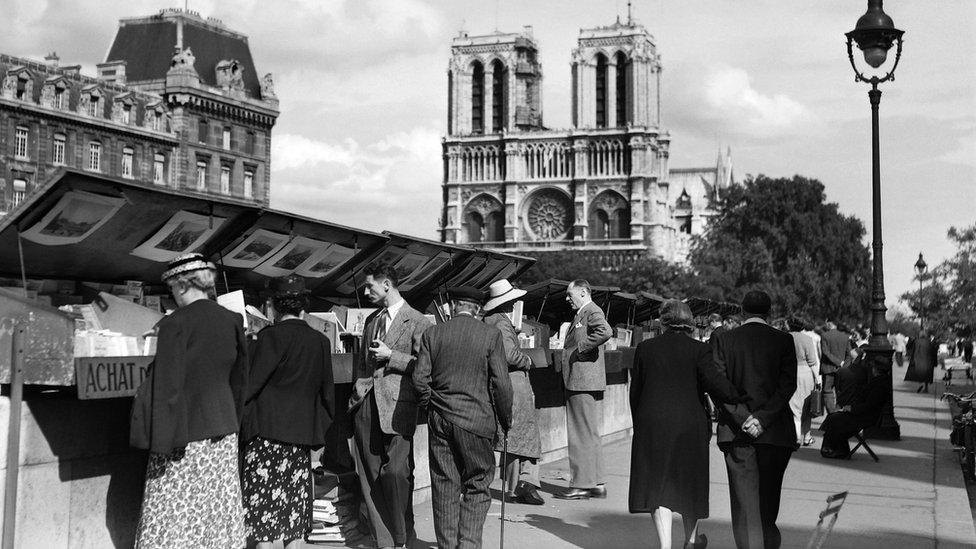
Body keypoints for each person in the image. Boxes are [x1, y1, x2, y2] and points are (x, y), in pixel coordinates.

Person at [129, 253, 249, 548]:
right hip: (223, 431)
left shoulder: (174, 324)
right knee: (217, 509)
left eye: (171, 289)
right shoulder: (232, 320)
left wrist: (160, 444)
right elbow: (240, 379)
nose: (172, 296)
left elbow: (168, 388)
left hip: (183, 434)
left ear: (182, 285)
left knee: (174, 511)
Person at [630, 300, 746, 549]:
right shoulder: (699, 350)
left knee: (657, 484)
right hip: (689, 425)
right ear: (690, 322)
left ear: (663, 321)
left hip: (652, 423)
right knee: (689, 482)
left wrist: (639, 423)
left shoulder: (645, 348)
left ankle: (665, 545)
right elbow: (717, 385)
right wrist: (742, 397)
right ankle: (691, 542)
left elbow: (635, 392)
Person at [413, 286, 513, 549]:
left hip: (440, 419)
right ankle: (468, 545)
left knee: (445, 485)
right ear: (478, 309)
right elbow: (502, 384)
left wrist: (432, 406)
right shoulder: (491, 335)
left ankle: (448, 546)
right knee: (478, 484)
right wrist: (505, 419)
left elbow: (419, 380)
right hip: (477, 421)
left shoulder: (433, 333)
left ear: (452, 306)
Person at [241, 275, 335, 548]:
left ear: (273, 307)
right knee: (294, 528)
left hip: (265, 443)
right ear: (303, 308)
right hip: (299, 446)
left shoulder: (268, 338)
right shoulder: (320, 342)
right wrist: (315, 439)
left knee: (264, 529)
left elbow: (248, 388)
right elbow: (327, 397)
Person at [349, 264, 433, 549]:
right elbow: (361, 362)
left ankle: (401, 534)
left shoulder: (420, 322)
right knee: (370, 475)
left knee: (396, 472)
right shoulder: (372, 320)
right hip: (367, 406)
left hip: (399, 408)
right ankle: (386, 541)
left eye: (369, 286)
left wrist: (392, 355)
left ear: (387, 284)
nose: (365, 291)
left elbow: (425, 367)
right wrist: (357, 394)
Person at [711, 290, 797, 549]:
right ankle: (769, 542)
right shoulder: (783, 340)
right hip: (775, 432)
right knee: (768, 500)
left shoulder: (725, 340)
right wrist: (763, 418)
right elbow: (787, 385)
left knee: (744, 503)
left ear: (742, 311)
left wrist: (743, 417)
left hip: (737, 434)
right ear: (769, 312)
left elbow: (718, 385)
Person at [483, 279, 545, 506]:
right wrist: (527, 360)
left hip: (501, 383)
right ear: (507, 303)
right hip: (513, 383)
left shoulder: (490, 320)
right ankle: (523, 486)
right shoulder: (501, 322)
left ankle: (515, 486)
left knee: (512, 435)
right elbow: (509, 354)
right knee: (522, 433)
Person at [555, 279, 613, 500]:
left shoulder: (590, 310)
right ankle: (596, 483)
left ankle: (581, 484)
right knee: (589, 433)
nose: (567, 298)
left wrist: (580, 348)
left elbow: (605, 331)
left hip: (581, 380)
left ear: (583, 292)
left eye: (570, 294)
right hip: (585, 380)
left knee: (579, 434)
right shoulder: (585, 311)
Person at [820, 354, 887, 458]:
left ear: (876, 369)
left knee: (836, 419)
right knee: (835, 417)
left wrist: (852, 409)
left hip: (866, 417)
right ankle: (834, 447)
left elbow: (869, 405)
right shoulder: (879, 382)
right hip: (866, 414)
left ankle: (836, 449)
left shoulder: (879, 385)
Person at [776, 317, 820, 447]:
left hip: (789, 372)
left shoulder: (783, 338)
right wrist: (817, 379)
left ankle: (795, 437)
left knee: (794, 408)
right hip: (806, 374)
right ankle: (807, 437)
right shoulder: (807, 339)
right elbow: (812, 361)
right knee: (807, 407)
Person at [819, 322, 849, 413]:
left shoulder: (825, 335)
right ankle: (838, 411)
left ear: (829, 324)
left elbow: (825, 352)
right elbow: (849, 354)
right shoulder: (845, 337)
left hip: (828, 369)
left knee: (827, 391)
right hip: (841, 369)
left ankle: (831, 413)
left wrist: (838, 362)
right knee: (840, 391)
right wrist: (843, 365)